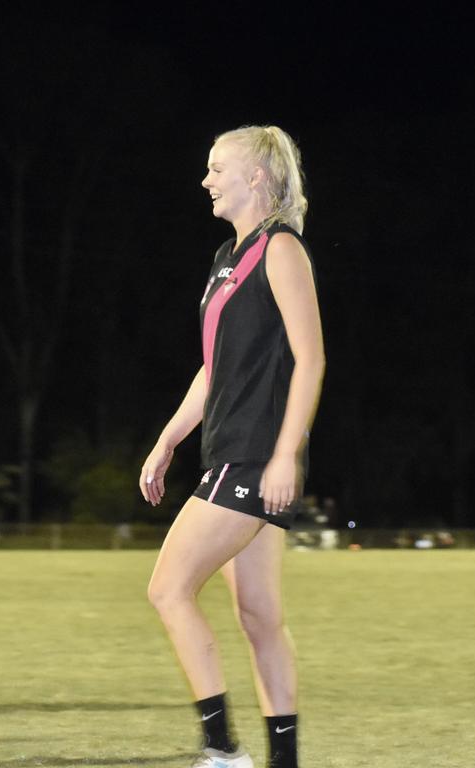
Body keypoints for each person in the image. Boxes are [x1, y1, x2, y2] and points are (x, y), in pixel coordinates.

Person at [140, 125, 324, 768]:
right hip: (234, 452)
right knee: (259, 618)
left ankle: (221, 752)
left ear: (256, 177)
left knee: (167, 590)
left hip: (252, 458)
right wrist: (168, 440)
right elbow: (213, 367)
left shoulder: (282, 250)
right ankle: (283, 762)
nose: (206, 180)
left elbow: (310, 359)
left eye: (218, 168)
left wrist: (284, 454)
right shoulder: (227, 257)